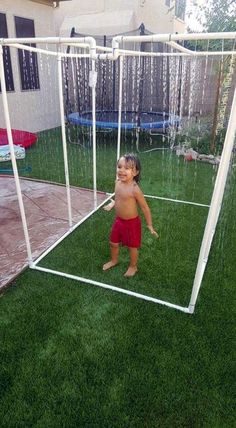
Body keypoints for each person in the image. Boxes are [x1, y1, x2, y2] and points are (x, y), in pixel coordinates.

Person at [103, 153, 159, 277]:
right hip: (119, 221)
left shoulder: (135, 189)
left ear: (135, 172)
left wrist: (150, 225)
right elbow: (118, 197)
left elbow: (145, 208)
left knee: (132, 247)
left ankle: (133, 266)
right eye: (119, 166)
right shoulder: (117, 182)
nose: (122, 170)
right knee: (113, 243)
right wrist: (112, 204)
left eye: (127, 168)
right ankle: (114, 260)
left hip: (132, 224)